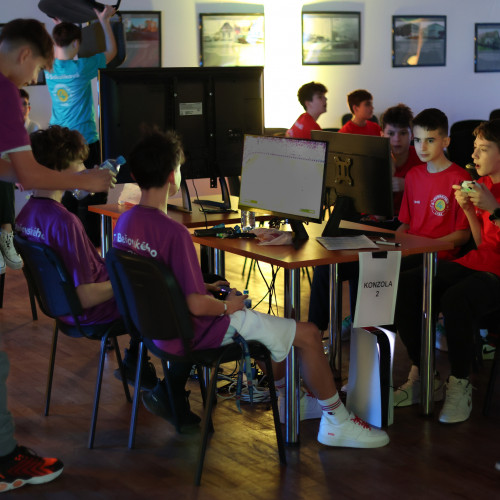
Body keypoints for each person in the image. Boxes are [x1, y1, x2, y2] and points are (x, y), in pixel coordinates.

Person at [113, 128, 389, 448]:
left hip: (156, 332)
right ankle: (336, 422)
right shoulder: (174, 233)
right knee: (309, 334)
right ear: (174, 176)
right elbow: (195, 305)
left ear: (135, 175)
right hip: (196, 330)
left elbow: (159, 279)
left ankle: (290, 399)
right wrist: (226, 305)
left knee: (270, 327)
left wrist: (208, 287)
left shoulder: (125, 222)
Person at [0, 18, 114, 493]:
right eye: (38, 71)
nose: (35, 81)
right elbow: (27, 174)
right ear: (27, 54)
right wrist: (82, 180)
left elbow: (11, 169)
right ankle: (5, 461)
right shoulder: (4, 90)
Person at [393, 119, 500, 423]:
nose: (474, 155)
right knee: (407, 285)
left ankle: (460, 383)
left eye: (483, 149)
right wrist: (469, 210)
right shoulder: (485, 184)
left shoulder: (490, 193)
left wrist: (493, 208)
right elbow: (483, 243)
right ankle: (425, 374)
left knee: (456, 298)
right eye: (475, 148)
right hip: (479, 262)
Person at [45, 5, 117, 247]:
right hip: (85, 141)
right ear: (76, 44)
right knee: (91, 196)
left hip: (58, 143)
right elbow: (111, 52)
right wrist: (104, 20)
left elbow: (56, 47)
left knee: (67, 194)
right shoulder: (82, 68)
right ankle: (90, 248)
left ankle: (67, 245)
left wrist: (60, 26)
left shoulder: (48, 67)